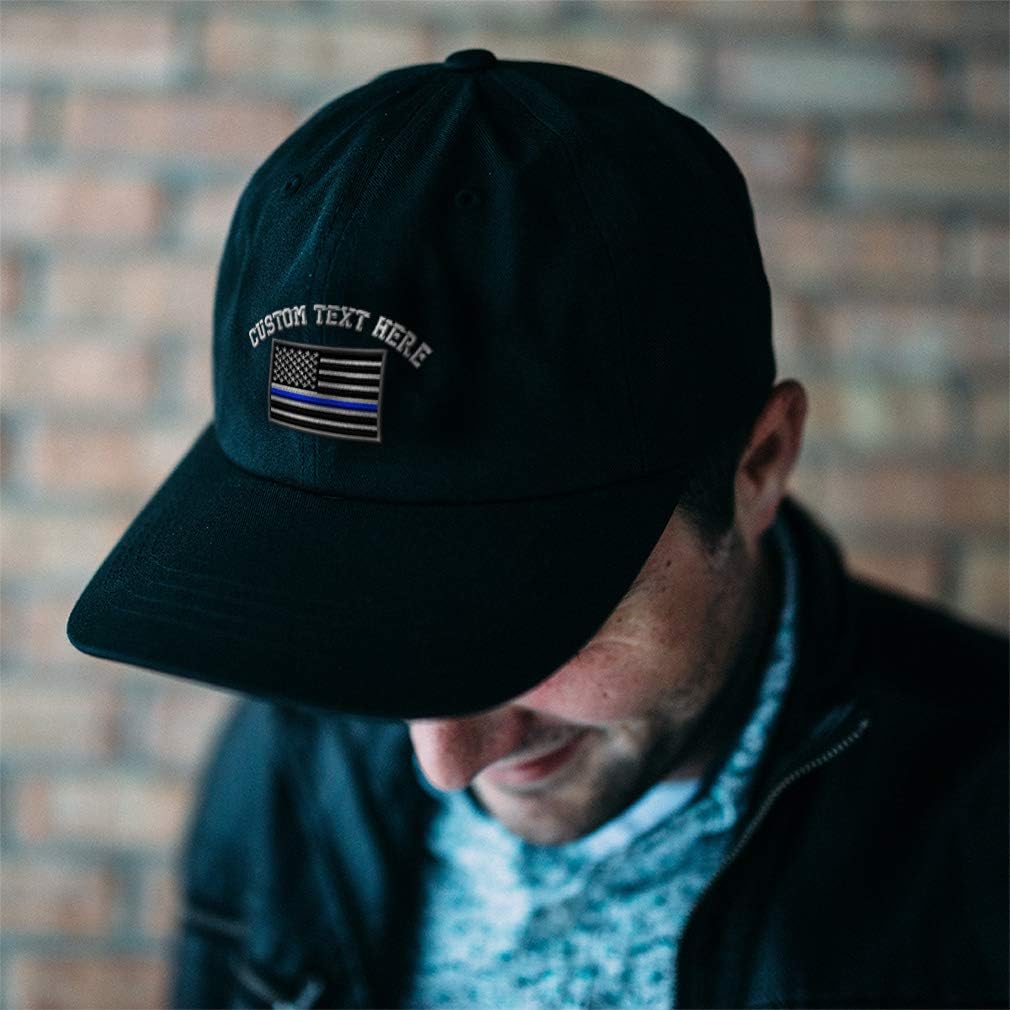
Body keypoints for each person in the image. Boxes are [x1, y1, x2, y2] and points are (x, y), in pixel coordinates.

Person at [67, 50, 1008, 1009]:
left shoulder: (981, 831)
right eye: (348, 606)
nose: (442, 761)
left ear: (759, 464)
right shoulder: (289, 753)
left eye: (528, 623)